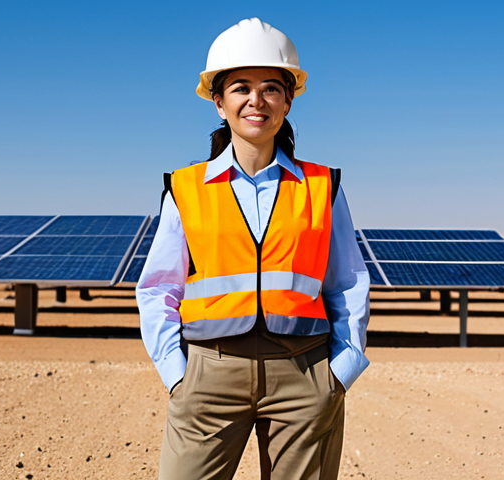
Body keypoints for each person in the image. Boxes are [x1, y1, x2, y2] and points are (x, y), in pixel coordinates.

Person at [136, 17, 370, 480]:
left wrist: (341, 371)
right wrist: (177, 374)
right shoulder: (186, 188)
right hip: (208, 373)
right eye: (240, 87)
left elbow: (348, 282)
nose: (255, 100)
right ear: (219, 103)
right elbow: (158, 288)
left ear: (287, 101)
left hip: (305, 373)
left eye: (271, 88)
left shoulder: (324, 186)